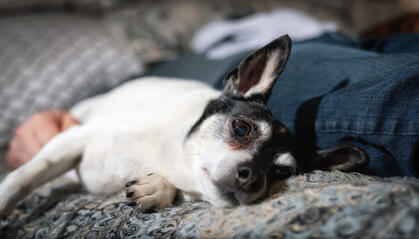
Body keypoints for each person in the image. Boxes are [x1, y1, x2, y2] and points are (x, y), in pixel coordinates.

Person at [7, 32, 419, 177]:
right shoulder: (165, 66)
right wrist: (45, 126)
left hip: (355, 34)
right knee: (398, 97)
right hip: (262, 62)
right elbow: (86, 120)